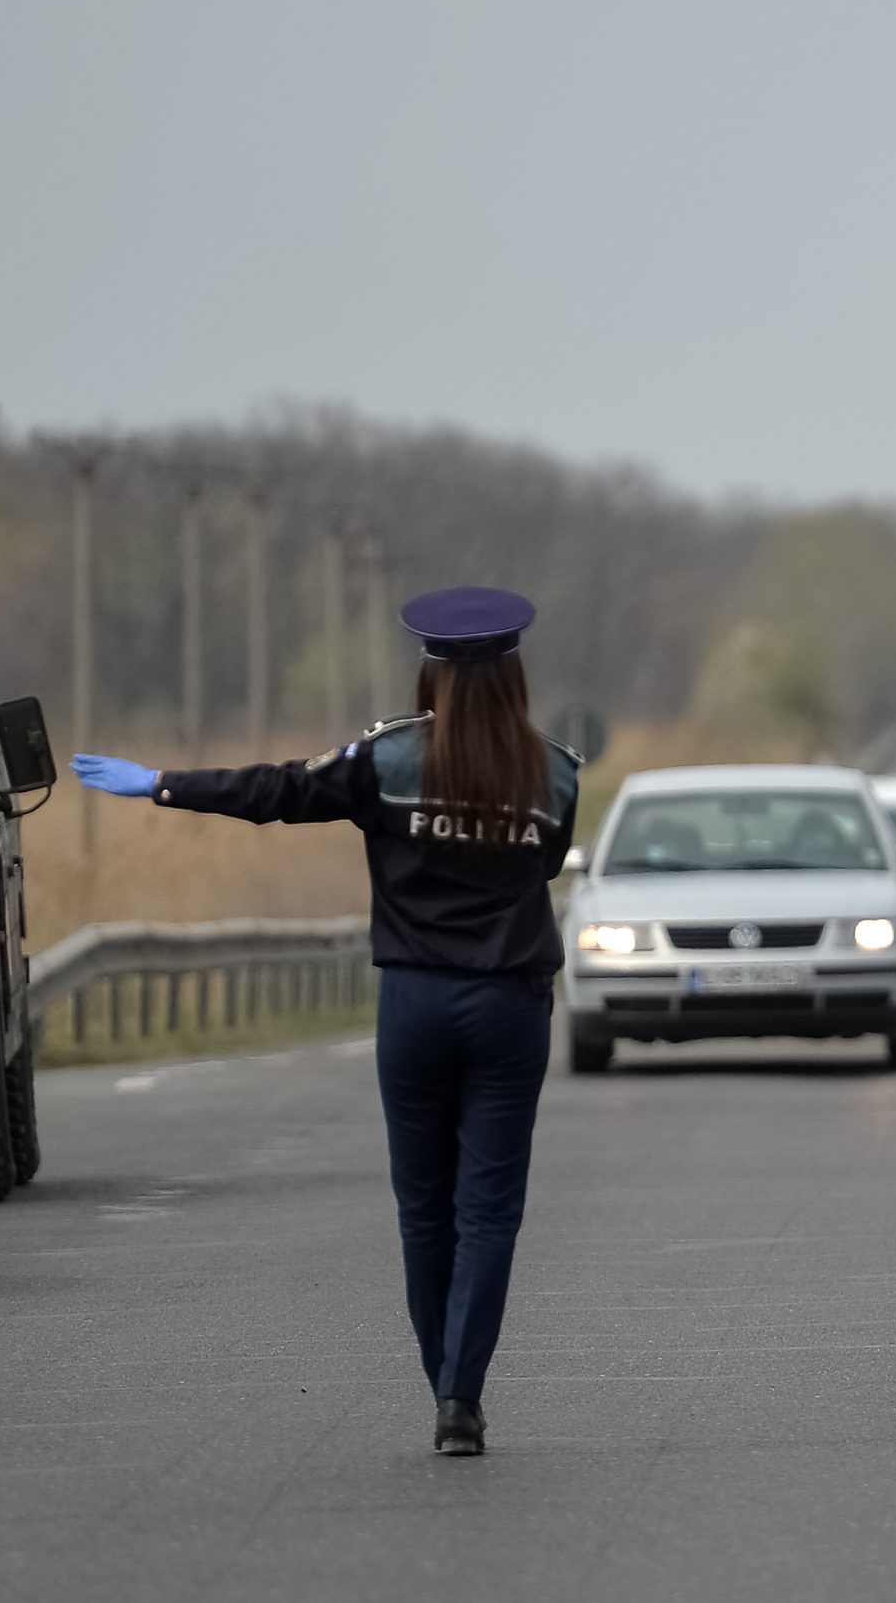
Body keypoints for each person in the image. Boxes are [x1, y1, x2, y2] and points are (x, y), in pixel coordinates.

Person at [69, 586, 581, 1457]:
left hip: (413, 1003)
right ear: (515, 675)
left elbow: (275, 791)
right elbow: (550, 860)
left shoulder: (385, 762)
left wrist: (161, 785)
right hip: (508, 1008)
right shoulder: (558, 773)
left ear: (431, 672)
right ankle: (462, 1392)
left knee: (424, 1210)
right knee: (489, 1212)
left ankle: (447, 1396)